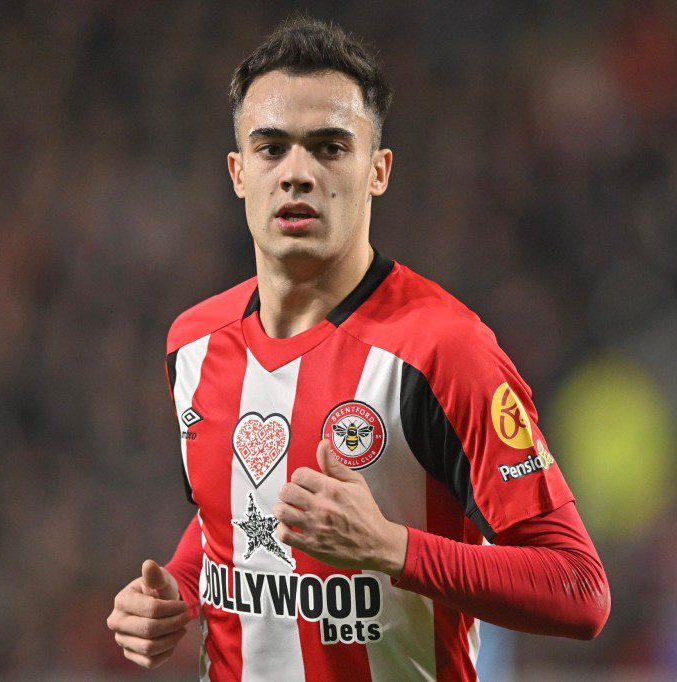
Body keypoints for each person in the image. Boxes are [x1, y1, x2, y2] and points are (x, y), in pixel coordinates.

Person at [107, 16, 610, 681]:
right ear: (237, 172)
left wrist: (391, 548)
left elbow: (579, 589)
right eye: (271, 148)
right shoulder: (193, 344)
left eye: (329, 147)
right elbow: (227, 517)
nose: (297, 174)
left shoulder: (444, 351)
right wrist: (173, 589)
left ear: (378, 170)